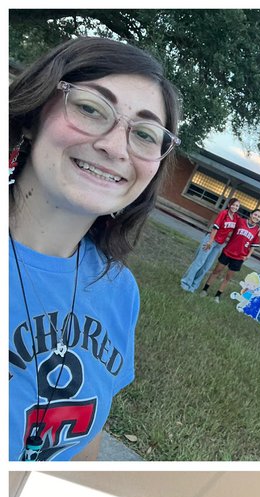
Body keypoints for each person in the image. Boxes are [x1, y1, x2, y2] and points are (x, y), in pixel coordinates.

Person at [9, 37, 180, 462]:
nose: (115, 147)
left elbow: (85, 442)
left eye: (144, 134)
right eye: (90, 108)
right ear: (33, 115)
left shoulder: (119, 290)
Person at [181, 196, 243, 292]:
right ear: (229, 205)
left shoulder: (236, 218)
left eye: (237, 206)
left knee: (206, 266)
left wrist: (258, 228)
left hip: (219, 245)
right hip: (211, 241)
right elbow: (215, 227)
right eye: (234, 205)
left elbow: (244, 224)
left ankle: (194, 285)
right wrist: (210, 241)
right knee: (199, 262)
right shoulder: (224, 213)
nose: (235, 207)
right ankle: (186, 282)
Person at [201, 208, 260, 302]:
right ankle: (205, 289)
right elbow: (230, 219)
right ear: (251, 214)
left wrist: (248, 255)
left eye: (258, 216)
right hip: (228, 251)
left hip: (239, 257)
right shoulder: (240, 221)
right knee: (216, 271)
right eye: (255, 214)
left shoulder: (257, 230)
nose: (256, 217)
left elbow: (253, 245)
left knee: (228, 277)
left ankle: (217, 296)